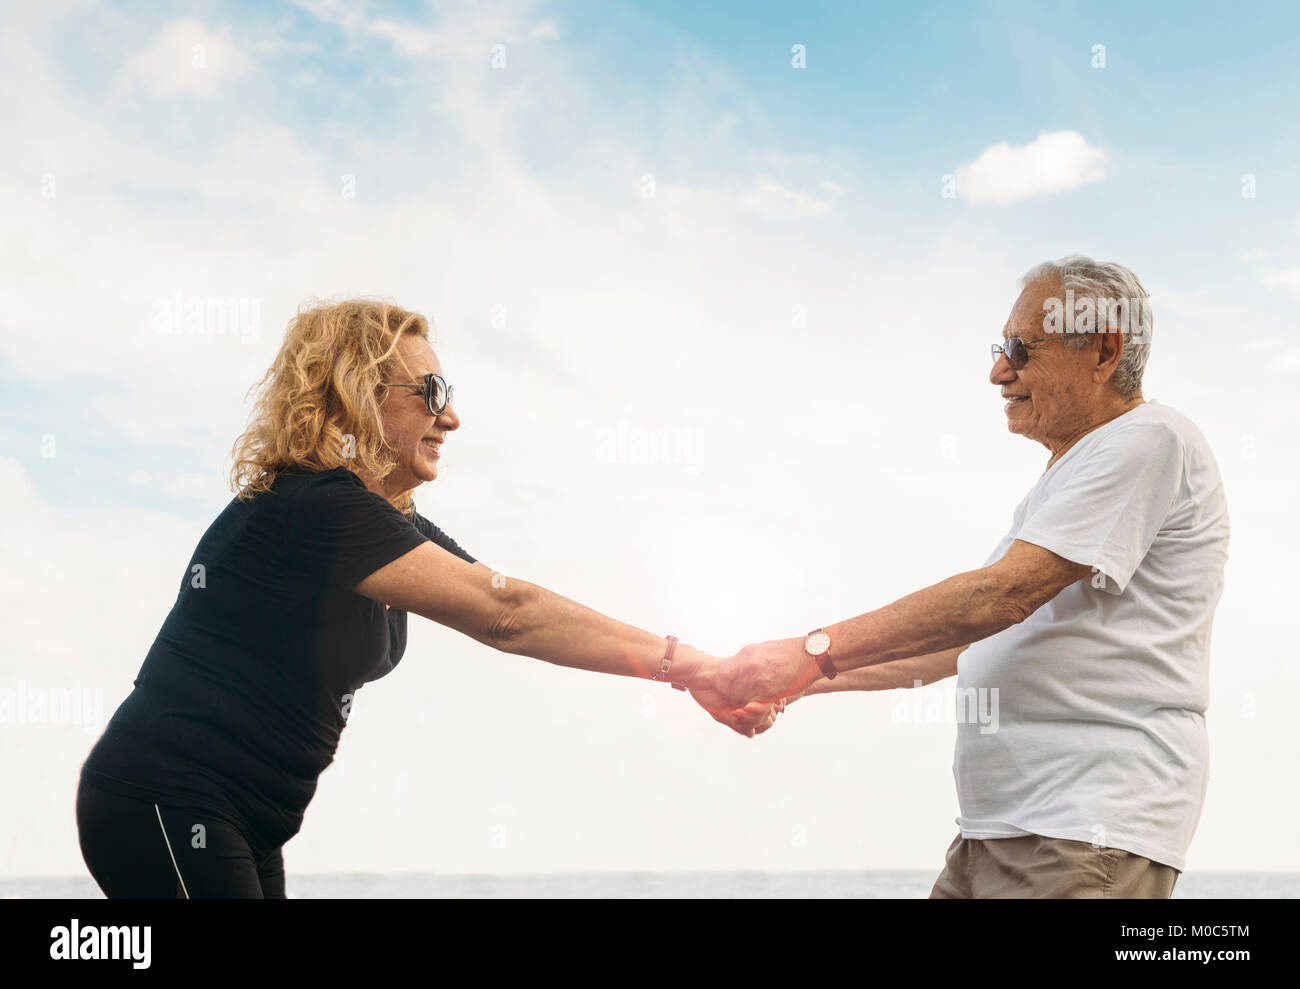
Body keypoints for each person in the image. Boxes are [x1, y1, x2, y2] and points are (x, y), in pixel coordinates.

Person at [76, 299, 770, 899]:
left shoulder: (384, 525)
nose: (453, 417)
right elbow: (511, 615)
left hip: (247, 816)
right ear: (357, 394)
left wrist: (695, 673)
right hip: (163, 797)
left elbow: (518, 610)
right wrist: (696, 668)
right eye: (431, 391)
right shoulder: (311, 509)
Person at [718, 256, 1230, 899]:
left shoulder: (1152, 438)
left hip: (1083, 828)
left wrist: (810, 648)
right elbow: (963, 643)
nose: (998, 371)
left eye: (1021, 348)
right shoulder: (1075, 477)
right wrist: (798, 678)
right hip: (1001, 830)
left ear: (1103, 350)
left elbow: (999, 597)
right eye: (1000, 347)